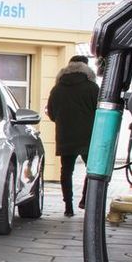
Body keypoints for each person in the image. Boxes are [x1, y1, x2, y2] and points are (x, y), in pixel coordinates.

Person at [46, 54, 100, 216]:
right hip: (88, 136)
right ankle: (85, 199)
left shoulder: (57, 88)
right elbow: (100, 111)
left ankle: (68, 207)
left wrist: (63, 122)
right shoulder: (92, 88)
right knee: (92, 170)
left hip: (65, 134)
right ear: (86, 67)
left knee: (66, 171)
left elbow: (51, 113)